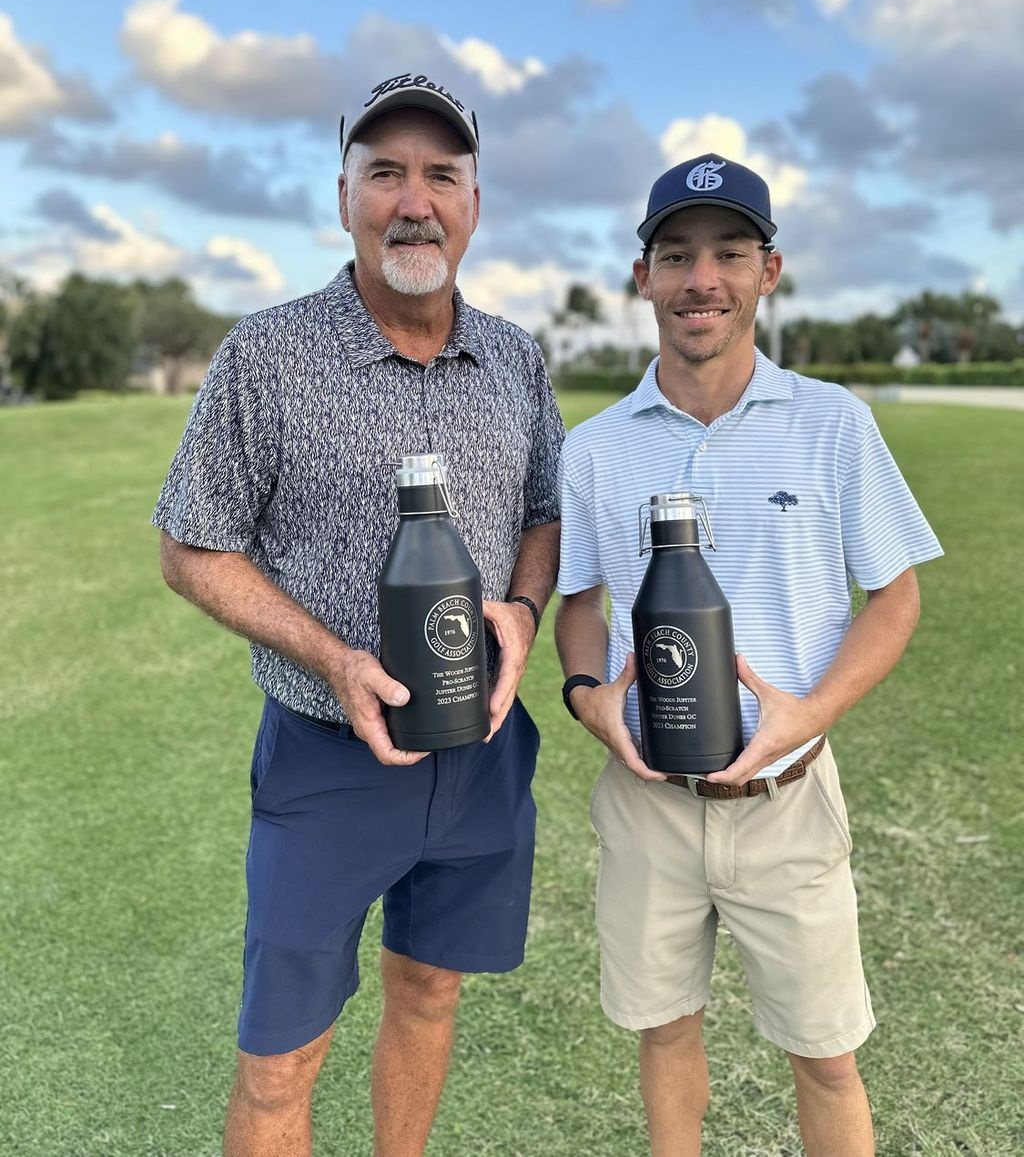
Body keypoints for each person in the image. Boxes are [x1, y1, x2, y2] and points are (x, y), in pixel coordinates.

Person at [153, 74, 564, 1157]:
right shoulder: (268, 355)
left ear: (474, 202)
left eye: (441, 176)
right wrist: (333, 656)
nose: (413, 201)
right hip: (327, 761)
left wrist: (525, 610)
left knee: (428, 991)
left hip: (480, 758)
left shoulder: (516, 358)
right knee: (279, 1063)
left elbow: (544, 513)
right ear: (344, 199)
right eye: (384, 173)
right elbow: (191, 545)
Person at [554, 153, 942, 1157]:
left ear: (768, 271)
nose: (702, 280)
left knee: (826, 1056)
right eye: (676, 256)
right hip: (649, 799)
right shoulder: (594, 447)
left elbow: (894, 597)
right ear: (642, 277)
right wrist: (587, 693)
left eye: (729, 253)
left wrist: (811, 713)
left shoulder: (832, 422)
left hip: (788, 797)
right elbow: (580, 603)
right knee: (664, 1030)